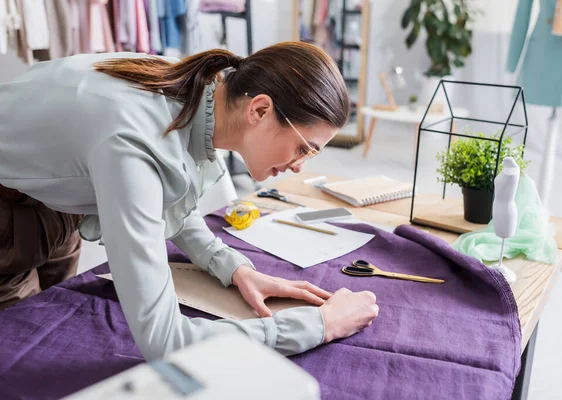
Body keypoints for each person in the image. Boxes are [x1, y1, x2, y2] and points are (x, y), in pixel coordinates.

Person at [0, 42, 379, 360]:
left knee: (59, 324)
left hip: (57, 199)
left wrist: (235, 269)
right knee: (23, 349)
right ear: (260, 110)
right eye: (304, 149)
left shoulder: (192, 86)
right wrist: (321, 326)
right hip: (9, 218)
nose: (299, 167)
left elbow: (162, 191)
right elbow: (165, 344)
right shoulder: (133, 143)